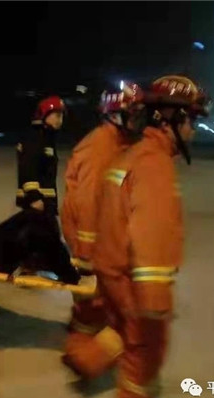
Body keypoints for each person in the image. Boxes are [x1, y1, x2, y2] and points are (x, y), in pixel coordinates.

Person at [92, 75, 211, 398]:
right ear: (172, 119)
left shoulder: (136, 153)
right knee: (146, 347)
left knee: (125, 336)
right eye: (191, 121)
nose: (193, 131)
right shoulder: (154, 164)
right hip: (131, 277)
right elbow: (151, 233)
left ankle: (84, 361)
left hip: (112, 269)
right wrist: (155, 295)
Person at [61, 83, 146, 378]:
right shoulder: (101, 148)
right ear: (115, 115)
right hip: (93, 241)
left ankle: (82, 341)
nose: (139, 121)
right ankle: (88, 360)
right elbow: (87, 203)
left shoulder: (117, 143)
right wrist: (86, 254)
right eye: (133, 114)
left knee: (93, 305)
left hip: (103, 238)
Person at [16, 96, 66, 216]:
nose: (60, 120)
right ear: (44, 115)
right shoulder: (35, 138)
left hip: (46, 203)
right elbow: (28, 168)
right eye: (57, 116)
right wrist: (34, 198)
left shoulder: (47, 139)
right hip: (38, 203)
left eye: (62, 116)